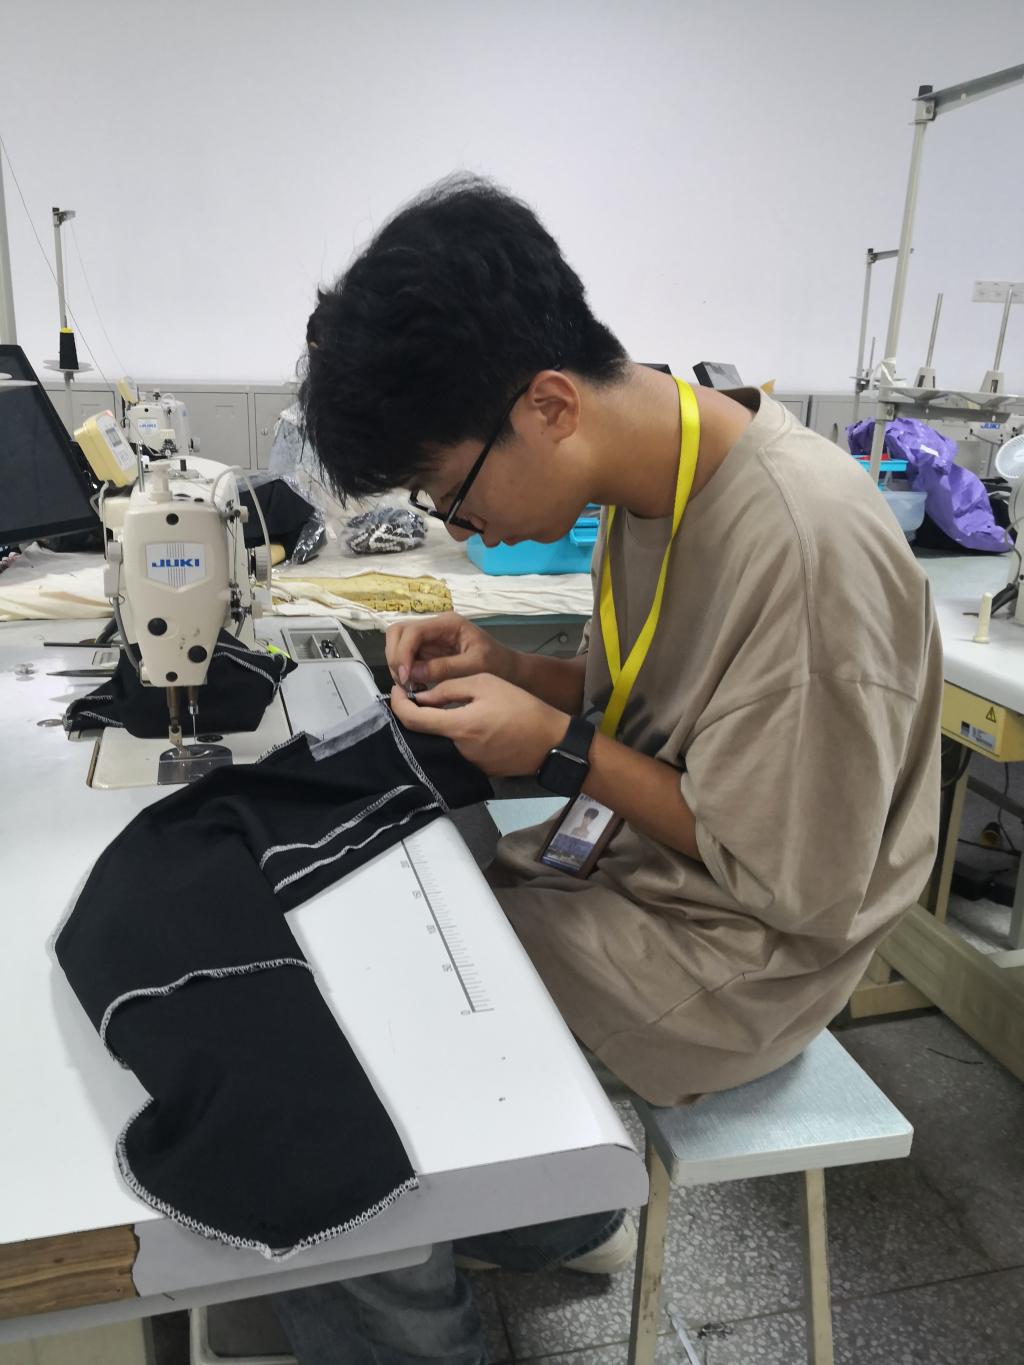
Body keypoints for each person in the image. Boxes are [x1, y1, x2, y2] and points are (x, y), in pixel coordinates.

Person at [272, 175, 941, 1363]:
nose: (461, 528)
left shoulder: (806, 546)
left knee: (331, 1068)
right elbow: (663, 696)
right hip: (638, 872)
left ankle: (426, 1317)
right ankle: (553, 1215)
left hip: (743, 950)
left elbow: (794, 880)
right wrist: (514, 670)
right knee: (364, 919)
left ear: (547, 404)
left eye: (453, 494)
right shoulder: (656, 482)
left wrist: (557, 747)